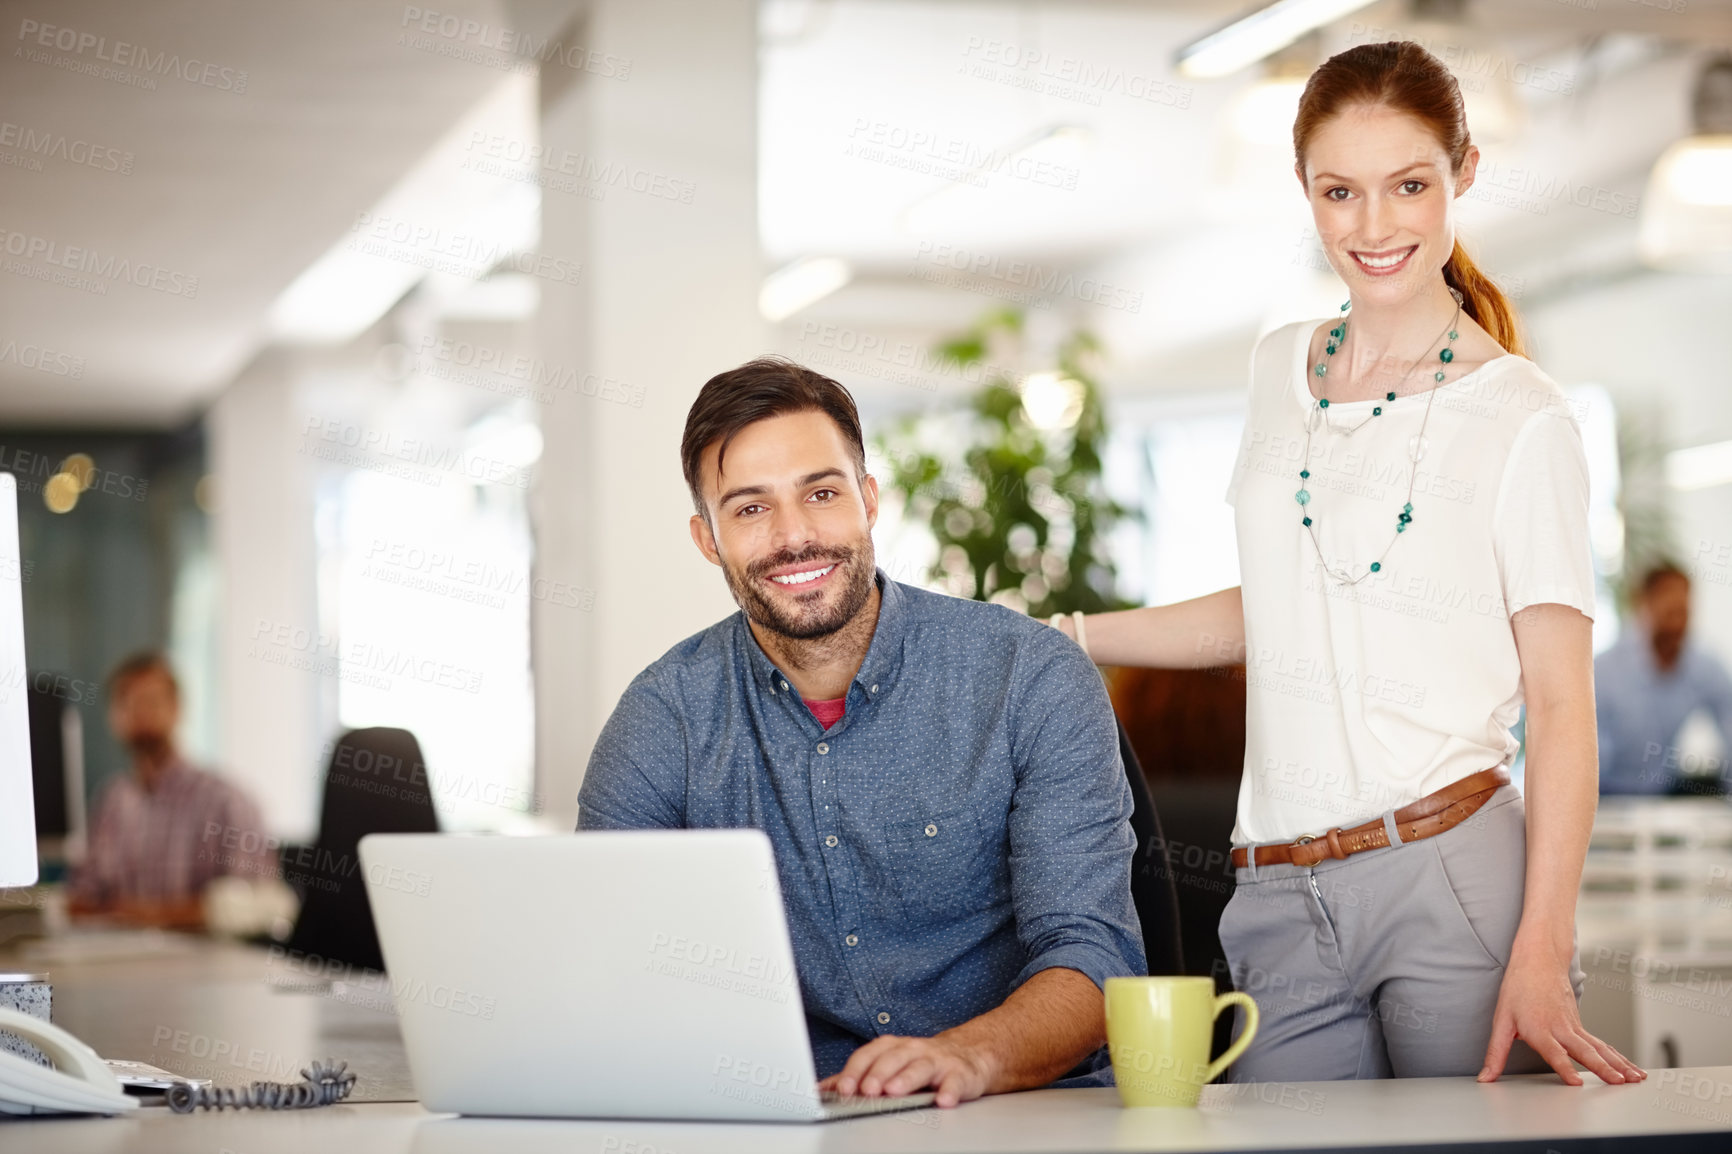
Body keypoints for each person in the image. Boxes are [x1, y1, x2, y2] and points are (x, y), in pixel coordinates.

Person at [1051, 41, 1644, 1087]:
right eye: (1340, 191)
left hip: (1449, 871)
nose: (1373, 227)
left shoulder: (1522, 415)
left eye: (1408, 185)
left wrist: (1543, 942)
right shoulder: (1276, 365)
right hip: (1275, 893)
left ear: (1463, 172)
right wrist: (1072, 637)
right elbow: (1281, 603)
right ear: (1305, 191)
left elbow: (1560, 707)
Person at [576, 356, 1146, 1108]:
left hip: (1015, 1111)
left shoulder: (1029, 676)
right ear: (707, 538)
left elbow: (1094, 957)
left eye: (822, 493)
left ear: (869, 499)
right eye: (750, 509)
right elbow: (607, 962)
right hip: (787, 1119)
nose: (795, 536)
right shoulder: (664, 715)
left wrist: (969, 1056)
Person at [68, 652, 277, 929]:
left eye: (151, 701)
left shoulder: (225, 800)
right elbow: (83, 894)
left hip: (203, 962)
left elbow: (255, 905)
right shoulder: (111, 801)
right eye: (126, 702)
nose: (139, 712)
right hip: (120, 955)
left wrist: (146, 915)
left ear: (177, 708)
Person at [1596, 562, 1732, 794]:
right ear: (1643, 606)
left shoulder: (1704, 666)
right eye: (1669, 613)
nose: (1676, 624)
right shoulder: (1603, 672)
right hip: (1606, 796)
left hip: (1662, 798)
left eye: (1683, 613)